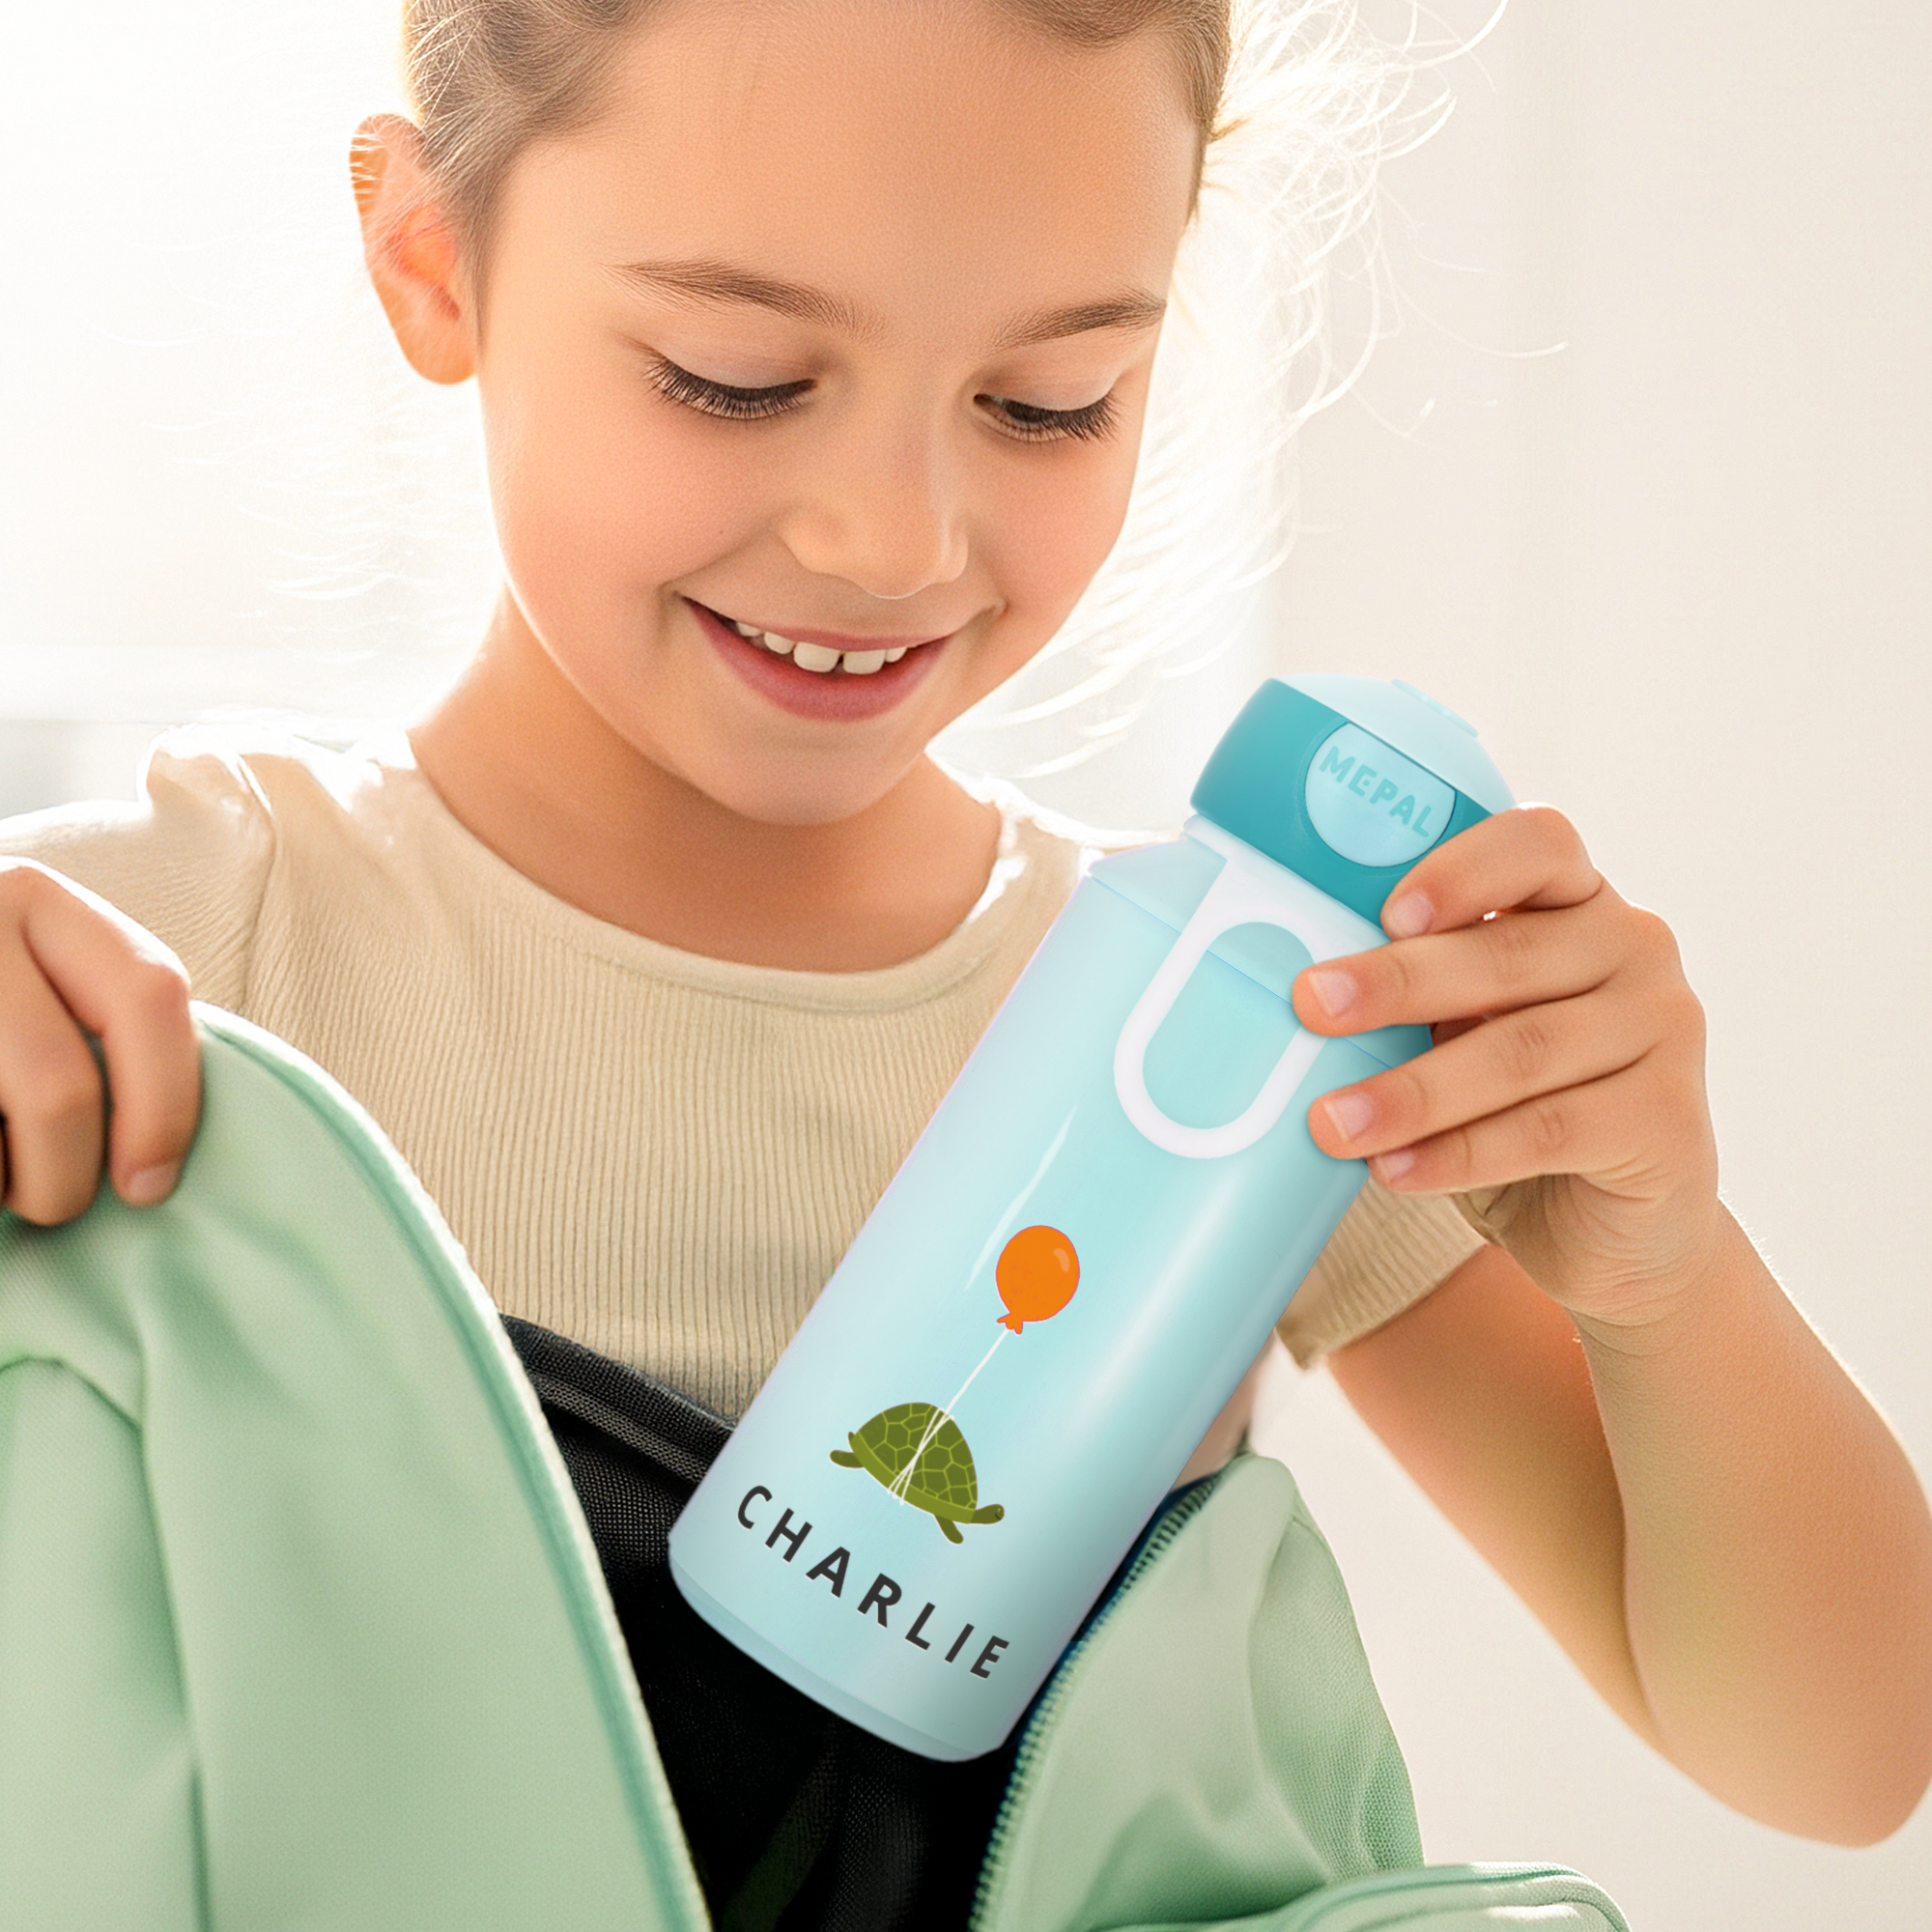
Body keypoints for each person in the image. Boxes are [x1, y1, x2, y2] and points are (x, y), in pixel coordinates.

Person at [2, 0, 1927, 1887]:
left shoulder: (1251, 1031)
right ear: (432, 259)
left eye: (1047, 401)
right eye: (736, 374)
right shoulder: (148, 949)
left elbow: (1837, 1757)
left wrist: (1661, 1272)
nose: (892, 538)